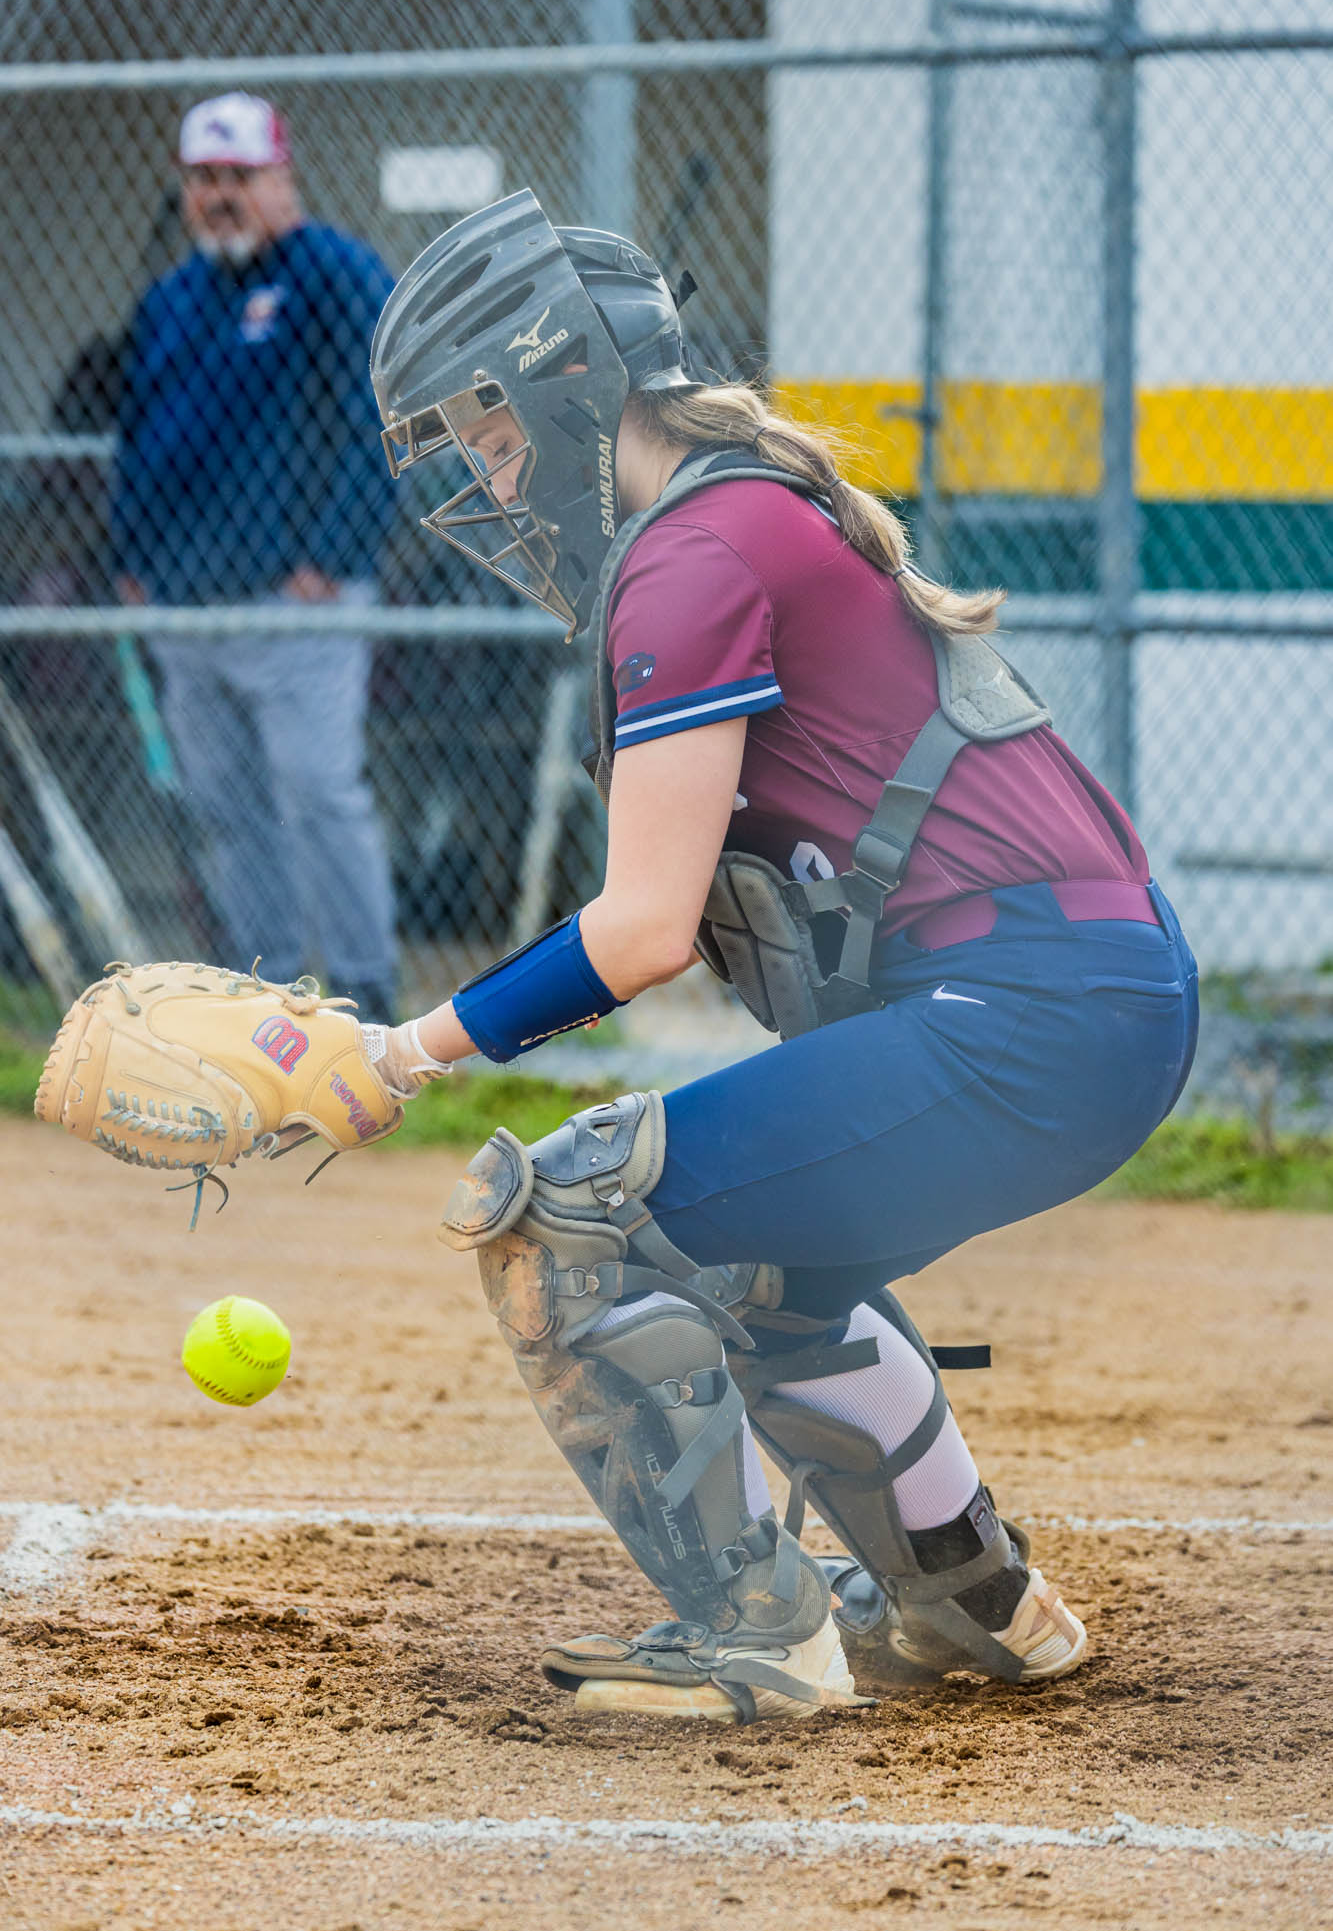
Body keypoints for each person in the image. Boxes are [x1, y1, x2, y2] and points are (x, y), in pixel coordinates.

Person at [359, 188, 1199, 1726]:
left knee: (569, 1210)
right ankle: (974, 1601)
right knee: (760, 1264)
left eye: (488, 432)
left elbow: (640, 932)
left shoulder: (692, 555)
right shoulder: (732, 513)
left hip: (1032, 1011)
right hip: (1092, 998)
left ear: (564, 381)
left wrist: (391, 1058)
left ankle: (757, 1629)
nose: (490, 482)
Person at [111, 93, 399, 1020]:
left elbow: (386, 419)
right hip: (186, 607)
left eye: (239, 175)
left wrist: (332, 557)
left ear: (282, 178)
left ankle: (366, 999)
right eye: (203, 178)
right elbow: (136, 436)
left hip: (296, 604)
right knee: (228, 812)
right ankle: (266, 1002)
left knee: (319, 793)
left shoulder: (335, 273)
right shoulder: (172, 297)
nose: (220, 194)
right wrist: (132, 558)